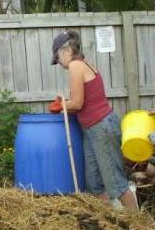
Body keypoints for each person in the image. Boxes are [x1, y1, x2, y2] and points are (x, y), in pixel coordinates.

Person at [50, 30, 138, 211]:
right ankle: (110, 225)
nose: (59, 63)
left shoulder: (76, 66)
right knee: (94, 183)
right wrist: (63, 104)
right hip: (93, 129)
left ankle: (140, 228)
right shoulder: (85, 64)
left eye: (58, 58)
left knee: (115, 182)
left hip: (101, 128)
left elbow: (77, 103)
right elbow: (84, 102)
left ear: (66, 51)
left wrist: (59, 105)